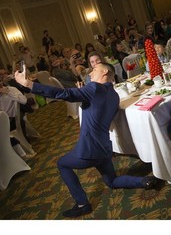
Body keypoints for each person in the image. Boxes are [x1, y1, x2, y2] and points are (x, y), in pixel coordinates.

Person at [14, 62, 161, 218]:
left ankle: (82, 204)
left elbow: (64, 94)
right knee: (111, 181)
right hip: (104, 147)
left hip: (90, 149)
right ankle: (144, 181)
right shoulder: (113, 94)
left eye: (94, 70)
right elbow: (97, 108)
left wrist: (28, 84)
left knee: (62, 164)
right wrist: (82, 93)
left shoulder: (93, 89)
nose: (90, 73)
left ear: (105, 72)